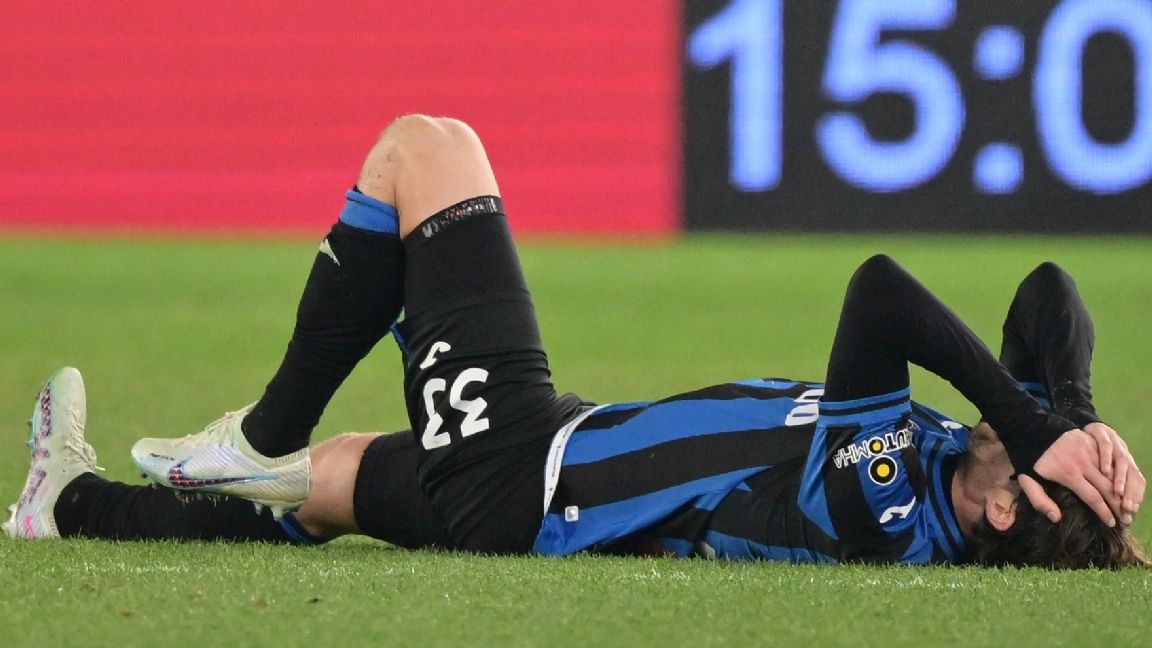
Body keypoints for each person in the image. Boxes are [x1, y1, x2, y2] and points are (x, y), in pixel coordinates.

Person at [6, 115, 1146, 568]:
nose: (1019, 431)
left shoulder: (887, 501)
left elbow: (881, 293)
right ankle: (68, 505)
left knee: (427, 149)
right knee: (328, 487)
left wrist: (1036, 425)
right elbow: (1049, 295)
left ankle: (260, 431)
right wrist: (1077, 420)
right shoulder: (972, 467)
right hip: (551, 470)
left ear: (1011, 508)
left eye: (1037, 459)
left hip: (527, 471)